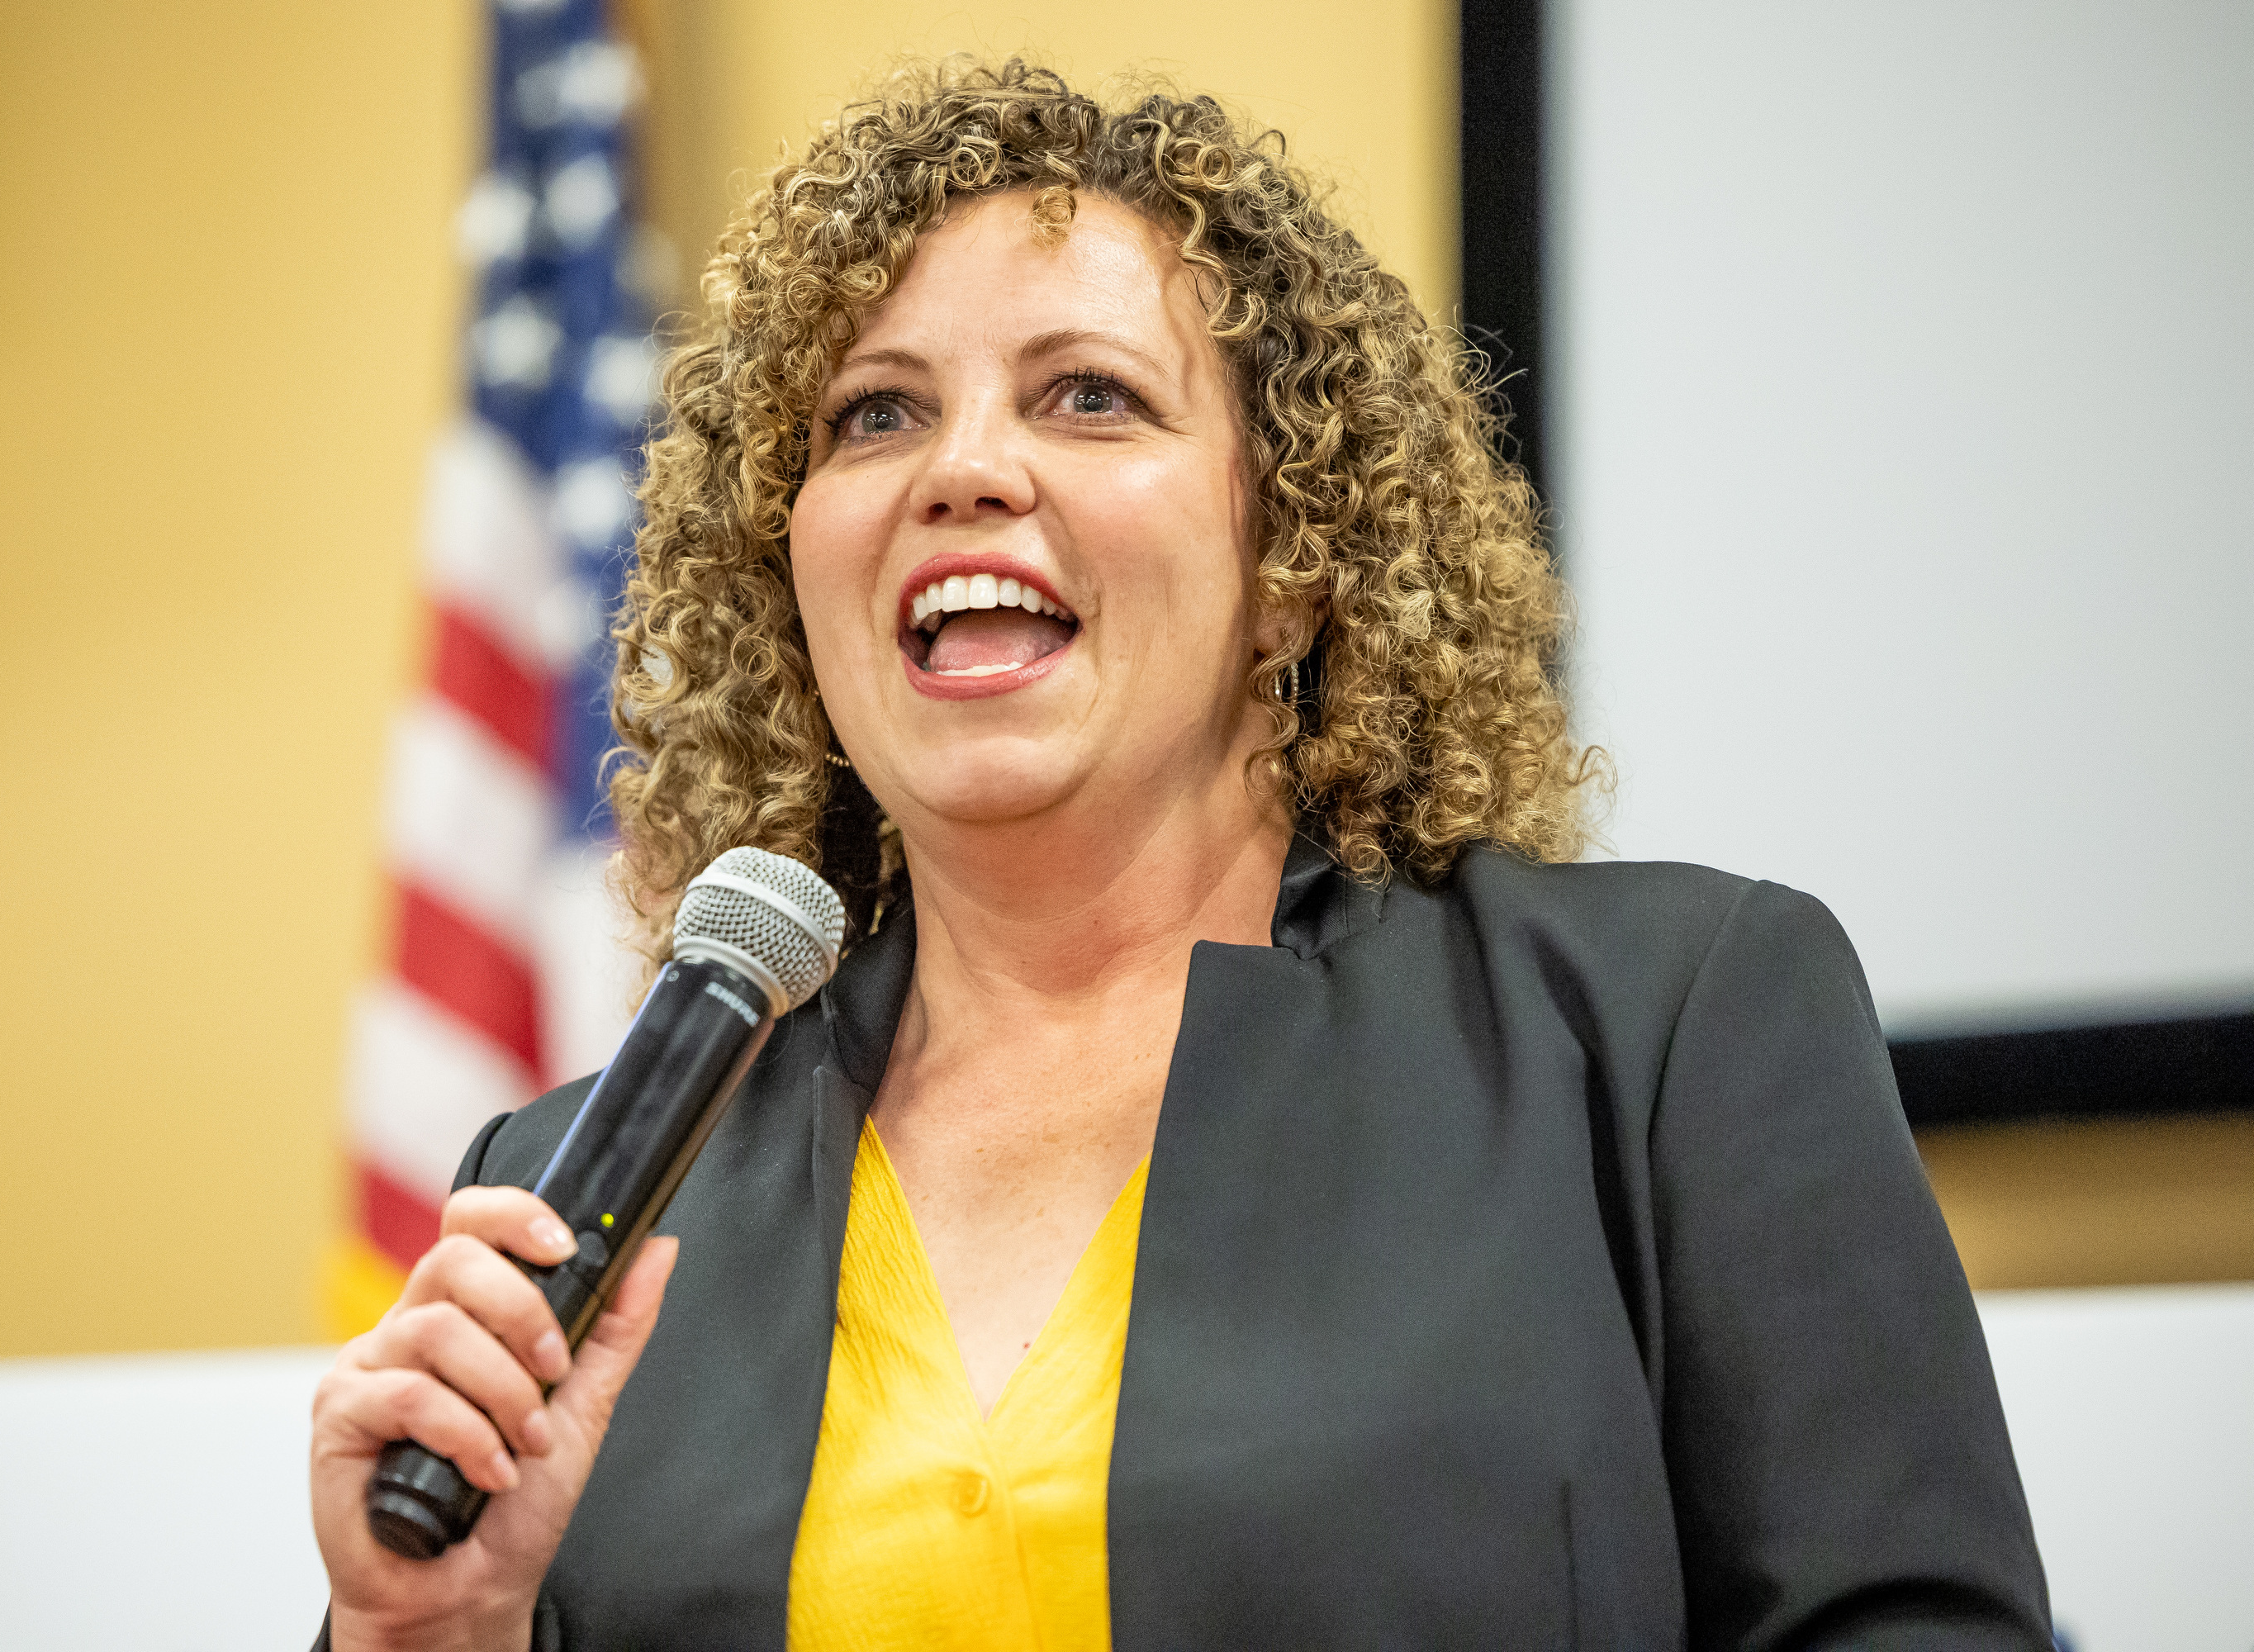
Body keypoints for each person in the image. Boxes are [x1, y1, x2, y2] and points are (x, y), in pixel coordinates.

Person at [310, 59, 2052, 1651]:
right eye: (874, 415)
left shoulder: (1668, 1029)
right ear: (792, 580)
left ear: (1293, 557)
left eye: (1087, 396)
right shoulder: (579, 1186)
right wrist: (423, 1635)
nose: (965, 469)